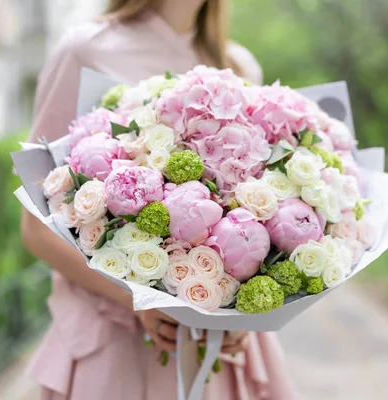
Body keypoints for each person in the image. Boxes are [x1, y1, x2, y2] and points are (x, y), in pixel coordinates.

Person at [21, 0, 296, 398]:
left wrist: (245, 314)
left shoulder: (239, 67)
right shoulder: (85, 49)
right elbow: (35, 227)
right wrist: (141, 300)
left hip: (217, 352)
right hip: (116, 343)